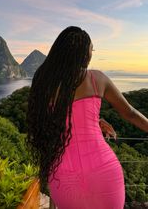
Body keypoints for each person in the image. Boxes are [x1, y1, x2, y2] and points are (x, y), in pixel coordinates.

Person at [25, 26, 148, 209]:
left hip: (62, 172)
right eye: (91, 49)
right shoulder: (96, 78)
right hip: (102, 168)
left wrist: (93, 121)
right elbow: (129, 113)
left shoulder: (43, 82)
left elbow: (56, 118)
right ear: (85, 54)